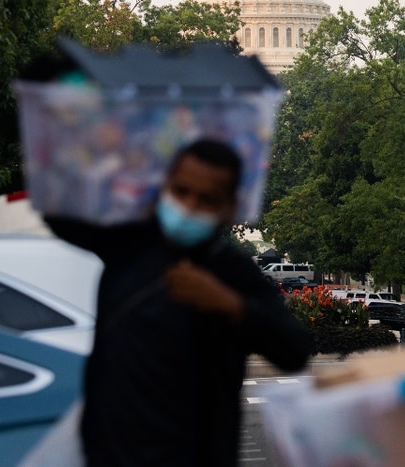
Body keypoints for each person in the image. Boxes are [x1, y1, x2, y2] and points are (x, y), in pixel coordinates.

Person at [44, 138, 311, 467]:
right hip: (110, 455)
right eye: (181, 192)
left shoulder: (232, 270)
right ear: (164, 188)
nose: (189, 207)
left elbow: (294, 350)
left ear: (229, 208)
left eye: (206, 200)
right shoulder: (126, 243)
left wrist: (229, 304)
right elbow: (57, 213)